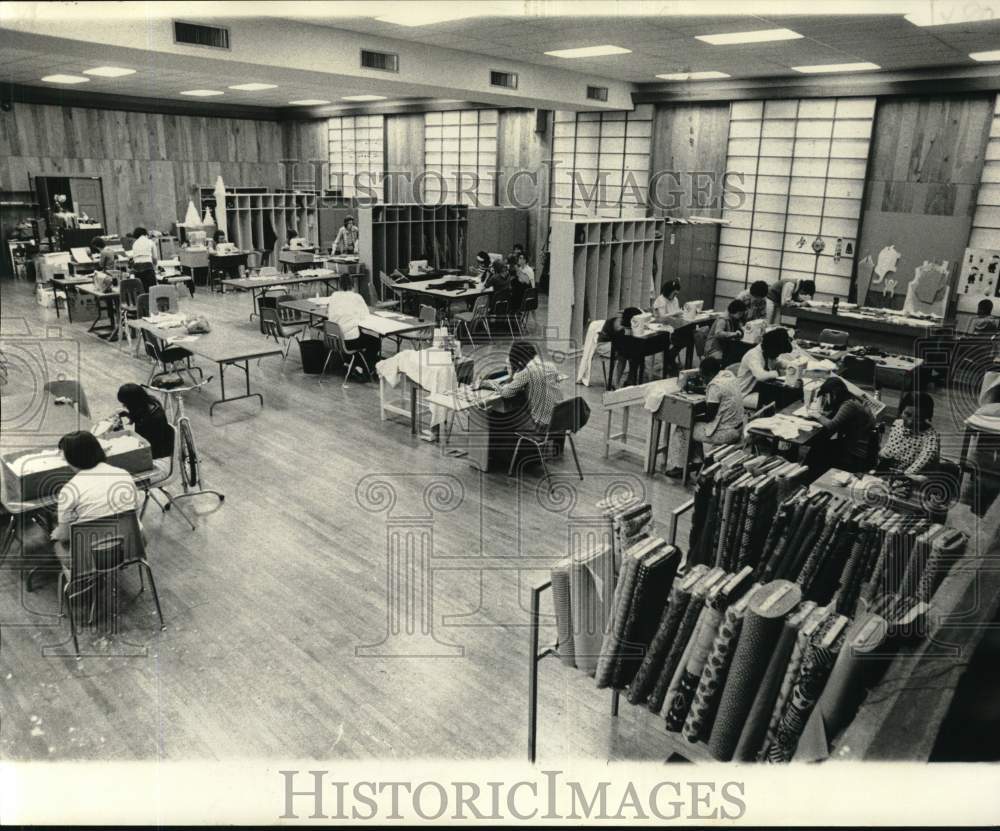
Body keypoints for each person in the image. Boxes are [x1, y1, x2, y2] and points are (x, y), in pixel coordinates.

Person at [49, 431, 140, 568]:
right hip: (129, 549)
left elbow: (65, 537)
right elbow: (135, 512)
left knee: (56, 540)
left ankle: (79, 581)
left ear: (71, 459)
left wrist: (57, 533)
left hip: (88, 559)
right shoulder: (123, 474)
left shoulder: (70, 489)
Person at [665, 356, 745, 478]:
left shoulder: (715, 386)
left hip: (725, 433)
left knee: (683, 427)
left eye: (703, 377)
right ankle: (697, 462)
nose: (703, 380)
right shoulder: (727, 375)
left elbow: (709, 417)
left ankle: (680, 467)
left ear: (709, 374)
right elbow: (716, 394)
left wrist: (690, 417)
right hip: (738, 428)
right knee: (695, 427)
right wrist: (696, 389)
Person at [804, 376, 877, 478]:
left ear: (834, 393)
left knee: (817, 447)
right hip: (858, 442)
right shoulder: (852, 399)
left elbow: (831, 425)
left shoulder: (848, 405)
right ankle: (808, 473)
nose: (826, 398)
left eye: (827, 395)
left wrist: (816, 415)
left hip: (855, 449)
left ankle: (807, 476)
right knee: (820, 444)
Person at [490, 340, 561, 433]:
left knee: (503, 418)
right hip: (560, 419)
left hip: (541, 425)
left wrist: (493, 384)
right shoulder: (551, 366)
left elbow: (505, 393)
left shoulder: (526, 372)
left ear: (518, 360)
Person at [325, 273, 380, 374]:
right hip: (350, 341)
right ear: (353, 284)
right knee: (375, 341)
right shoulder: (356, 297)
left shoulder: (334, 296)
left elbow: (329, 314)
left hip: (335, 341)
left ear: (339, 285)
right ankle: (363, 367)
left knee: (359, 334)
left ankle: (350, 362)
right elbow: (366, 317)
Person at [878, 391, 940, 475]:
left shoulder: (930, 436)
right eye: (907, 414)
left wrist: (906, 475)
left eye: (918, 418)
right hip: (890, 471)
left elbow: (925, 458)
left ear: (927, 417)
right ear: (901, 410)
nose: (910, 422)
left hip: (911, 478)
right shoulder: (897, 423)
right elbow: (889, 448)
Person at [737, 327, 796, 406]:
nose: (777, 355)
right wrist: (779, 373)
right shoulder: (753, 355)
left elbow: (779, 362)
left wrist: (793, 365)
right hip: (744, 395)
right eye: (777, 353)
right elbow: (761, 376)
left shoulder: (768, 352)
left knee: (785, 396)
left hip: (759, 390)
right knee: (778, 402)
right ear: (772, 349)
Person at [115, 383, 173, 462]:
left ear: (133, 403)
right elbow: (139, 418)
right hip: (151, 442)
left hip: (155, 452)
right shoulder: (149, 403)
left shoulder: (153, 419)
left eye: (126, 403)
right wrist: (128, 414)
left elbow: (148, 444)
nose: (124, 405)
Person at [600, 307, 643, 388]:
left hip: (616, 342)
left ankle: (630, 380)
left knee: (633, 355)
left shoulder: (625, 322)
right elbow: (618, 340)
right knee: (624, 356)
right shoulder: (619, 325)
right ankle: (616, 383)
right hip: (605, 344)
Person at [705, 298, 747, 363]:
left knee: (740, 354)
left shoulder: (734, 318)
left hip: (724, 345)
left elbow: (739, 329)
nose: (741, 316)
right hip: (714, 347)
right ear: (733, 311)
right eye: (740, 314)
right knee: (732, 358)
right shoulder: (723, 319)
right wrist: (734, 334)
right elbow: (718, 334)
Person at [130, 226, 158, 291]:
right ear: (145, 234)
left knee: (141, 290)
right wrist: (155, 266)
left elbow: (134, 258)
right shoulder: (150, 242)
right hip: (148, 267)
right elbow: (155, 258)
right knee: (152, 291)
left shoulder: (135, 243)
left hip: (137, 269)